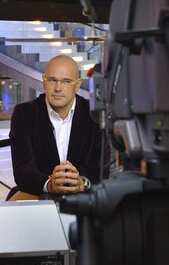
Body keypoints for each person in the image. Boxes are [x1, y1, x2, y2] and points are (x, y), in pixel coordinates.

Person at [7, 54, 105, 199]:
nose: (58, 88)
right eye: (52, 80)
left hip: (83, 197)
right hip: (38, 195)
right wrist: (50, 185)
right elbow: (23, 171)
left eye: (66, 81)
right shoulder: (24, 113)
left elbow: (100, 170)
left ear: (77, 85)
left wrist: (81, 183)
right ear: (44, 83)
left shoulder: (95, 115)